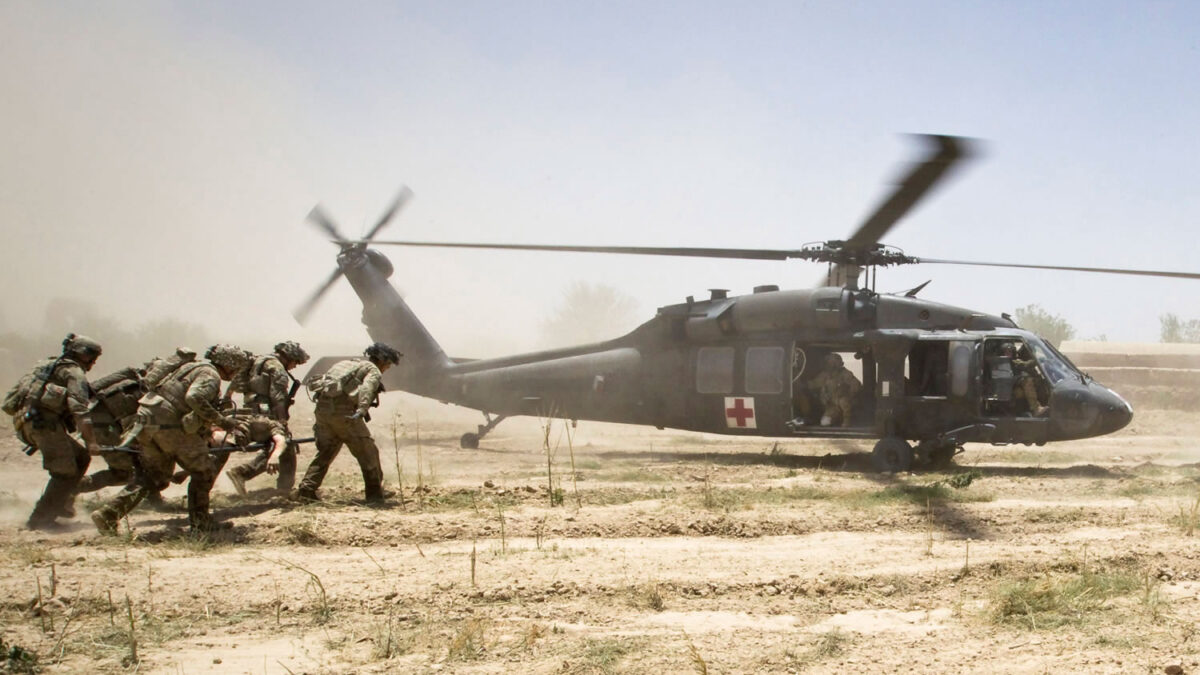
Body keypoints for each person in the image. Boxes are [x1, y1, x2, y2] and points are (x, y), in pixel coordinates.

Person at [91, 344, 249, 535]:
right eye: (236, 368)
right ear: (229, 364)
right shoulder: (210, 374)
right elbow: (194, 397)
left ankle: (109, 513)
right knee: (204, 470)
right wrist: (223, 421)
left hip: (147, 424)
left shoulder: (189, 367)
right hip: (170, 428)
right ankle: (201, 523)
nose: (235, 373)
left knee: (154, 477)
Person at [10, 335, 103, 529]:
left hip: (26, 420)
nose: (93, 363)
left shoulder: (46, 364)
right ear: (81, 354)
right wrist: (92, 441)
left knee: (81, 458)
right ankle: (40, 519)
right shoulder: (74, 373)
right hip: (44, 425)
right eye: (92, 357)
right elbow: (80, 411)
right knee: (65, 473)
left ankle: (61, 504)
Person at [295, 342, 401, 504]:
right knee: (368, 453)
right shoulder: (372, 370)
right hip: (345, 416)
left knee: (326, 452)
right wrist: (362, 409)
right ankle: (374, 495)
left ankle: (306, 491)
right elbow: (367, 388)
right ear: (382, 361)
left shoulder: (345, 364)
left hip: (323, 413)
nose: (387, 368)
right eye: (388, 365)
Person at [225, 341, 309, 495]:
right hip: (266, 415)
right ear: (289, 357)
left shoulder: (258, 361)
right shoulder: (277, 368)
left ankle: (248, 475)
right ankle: (280, 489)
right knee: (285, 446)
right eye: (295, 363)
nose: (294, 367)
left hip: (249, 411)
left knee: (276, 447)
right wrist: (282, 421)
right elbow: (278, 398)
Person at [794, 352, 862, 427]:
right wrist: (800, 384)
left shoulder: (845, 374)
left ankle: (847, 422)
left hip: (845, 404)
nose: (830, 365)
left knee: (844, 403)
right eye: (829, 362)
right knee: (825, 422)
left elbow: (856, 385)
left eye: (833, 362)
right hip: (832, 406)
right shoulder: (825, 375)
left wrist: (848, 393)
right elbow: (813, 384)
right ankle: (837, 420)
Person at [1002, 342, 1049, 416]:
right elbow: (1024, 365)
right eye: (1006, 352)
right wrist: (1036, 360)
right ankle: (1036, 409)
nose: (1008, 354)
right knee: (1027, 380)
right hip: (1008, 386)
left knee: (1021, 392)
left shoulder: (1013, 360)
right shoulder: (1005, 362)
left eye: (1010, 352)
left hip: (1013, 387)